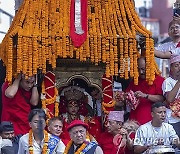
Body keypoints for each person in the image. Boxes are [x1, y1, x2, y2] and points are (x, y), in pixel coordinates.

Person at [125, 57, 165, 125]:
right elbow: (127, 94)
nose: (141, 72)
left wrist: (146, 96)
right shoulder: (135, 81)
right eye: (139, 69)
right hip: (135, 120)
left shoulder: (159, 80)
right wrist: (125, 96)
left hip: (151, 121)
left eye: (143, 69)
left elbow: (162, 99)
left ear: (150, 67)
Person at [162, 55, 180, 137]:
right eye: (176, 65)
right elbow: (169, 99)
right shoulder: (167, 82)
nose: (179, 67)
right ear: (171, 68)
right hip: (173, 120)